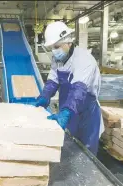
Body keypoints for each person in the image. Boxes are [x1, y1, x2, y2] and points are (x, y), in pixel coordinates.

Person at [35, 21, 104, 155]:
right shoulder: (58, 60)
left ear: (68, 42)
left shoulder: (84, 60)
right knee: (68, 148)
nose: (54, 51)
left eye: (57, 46)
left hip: (86, 114)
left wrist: (66, 113)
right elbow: (53, 80)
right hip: (69, 109)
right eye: (52, 48)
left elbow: (79, 90)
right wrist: (44, 96)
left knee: (86, 154)